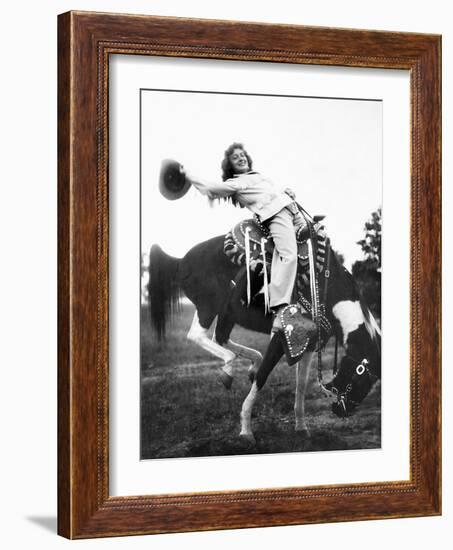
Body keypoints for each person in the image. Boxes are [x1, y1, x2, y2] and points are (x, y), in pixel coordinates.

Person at [182, 142, 305, 331]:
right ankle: (281, 311)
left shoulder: (259, 177)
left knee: (313, 252)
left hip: (294, 213)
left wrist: (286, 194)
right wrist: (188, 175)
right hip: (276, 215)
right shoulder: (236, 183)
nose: (241, 157)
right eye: (235, 157)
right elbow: (209, 188)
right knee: (288, 256)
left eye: (242, 154)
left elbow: (272, 193)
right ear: (230, 166)